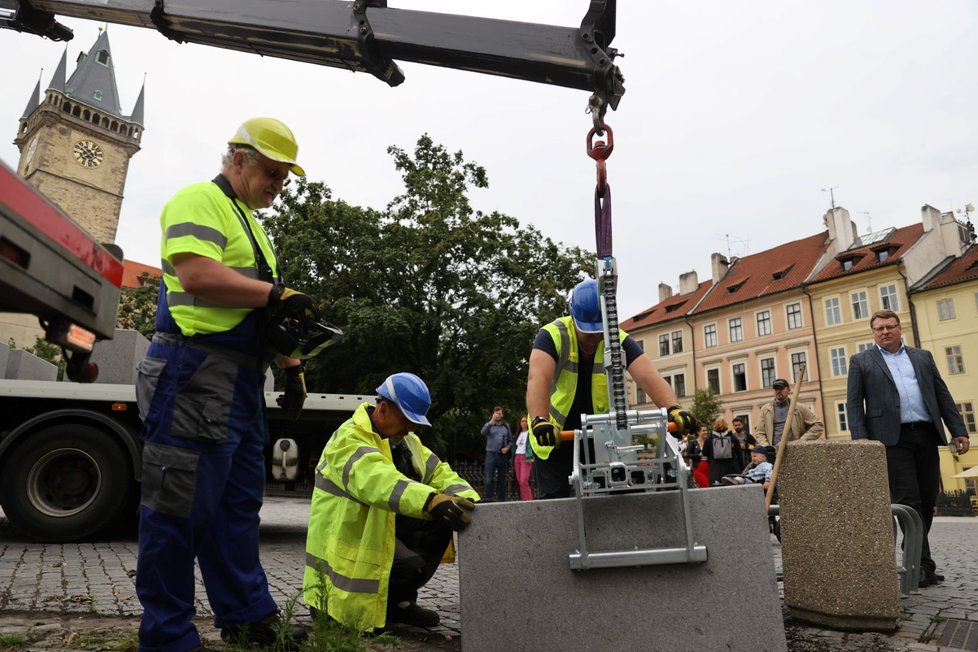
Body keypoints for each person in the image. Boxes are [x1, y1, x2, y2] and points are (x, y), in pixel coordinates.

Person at [134, 117, 315, 652]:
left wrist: (291, 362)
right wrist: (276, 297)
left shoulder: (251, 224)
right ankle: (166, 636)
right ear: (238, 159)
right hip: (194, 372)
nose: (278, 185)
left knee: (236, 508)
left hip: (235, 380)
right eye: (271, 172)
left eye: (285, 177)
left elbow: (255, 306)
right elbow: (197, 276)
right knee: (177, 508)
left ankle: (246, 616)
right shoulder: (199, 200)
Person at [303, 373, 479, 631]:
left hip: (374, 534)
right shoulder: (348, 439)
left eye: (414, 423)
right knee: (411, 558)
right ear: (383, 409)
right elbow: (379, 481)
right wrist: (431, 500)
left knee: (443, 520)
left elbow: (439, 472)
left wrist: (471, 501)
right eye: (407, 420)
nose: (411, 428)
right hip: (338, 574)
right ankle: (340, 611)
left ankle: (398, 604)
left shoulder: (407, 442)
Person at [525, 278, 696, 499]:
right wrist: (540, 420)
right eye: (589, 331)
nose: (596, 337)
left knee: (606, 498)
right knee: (556, 502)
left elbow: (648, 375)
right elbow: (538, 377)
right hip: (554, 435)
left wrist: (674, 409)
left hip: (598, 435)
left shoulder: (617, 339)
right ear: (574, 319)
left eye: (600, 331)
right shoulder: (552, 335)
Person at [847, 309, 970, 588]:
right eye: (879, 328)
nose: (885, 331)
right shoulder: (861, 361)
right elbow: (854, 403)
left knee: (928, 500)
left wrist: (958, 430)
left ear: (900, 328)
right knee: (908, 499)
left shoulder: (922, 357)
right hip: (892, 439)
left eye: (890, 326)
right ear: (873, 332)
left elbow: (942, 394)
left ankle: (915, 554)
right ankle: (922, 565)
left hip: (926, 434)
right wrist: (861, 439)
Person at [754, 378, 824, 448]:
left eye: (781, 388)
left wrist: (802, 440)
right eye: (776, 389)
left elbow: (818, 426)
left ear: (789, 390)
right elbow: (760, 432)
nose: (778, 391)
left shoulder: (799, 408)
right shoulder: (766, 410)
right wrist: (766, 446)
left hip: (794, 450)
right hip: (773, 451)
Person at [481, 406, 513, 501]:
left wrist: (507, 448)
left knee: (502, 479)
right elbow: (483, 432)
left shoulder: (506, 426)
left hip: (502, 456)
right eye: (497, 413)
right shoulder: (489, 425)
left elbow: (511, 441)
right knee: (488, 479)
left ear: (502, 415)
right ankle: (488, 499)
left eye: (500, 413)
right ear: (493, 414)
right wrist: (491, 421)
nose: (498, 415)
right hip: (491, 455)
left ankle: (501, 500)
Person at [704, 418, 743, 486]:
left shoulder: (710, 437)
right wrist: (741, 468)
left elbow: (704, 452)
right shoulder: (732, 436)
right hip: (732, 468)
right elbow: (739, 453)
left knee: (716, 491)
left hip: (715, 469)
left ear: (715, 425)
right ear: (726, 425)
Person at [513, 415, 534, 500]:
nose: (524, 423)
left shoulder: (530, 433)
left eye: (525, 421)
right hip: (517, 457)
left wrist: (531, 457)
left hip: (526, 457)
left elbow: (532, 446)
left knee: (524, 480)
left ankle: (529, 500)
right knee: (519, 481)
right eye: (522, 421)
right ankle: (523, 500)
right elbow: (513, 447)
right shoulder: (518, 434)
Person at [687, 424, 710, 489]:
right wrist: (698, 455)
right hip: (698, 468)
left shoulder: (708, 441)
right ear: (698, 432)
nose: (706, 432)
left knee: (710, 486)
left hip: (709, 467)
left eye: (706, 430)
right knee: (705, 486)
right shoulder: (693, 443)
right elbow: (686, 454)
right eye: (703, 431)